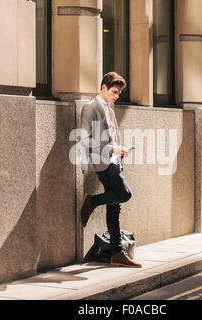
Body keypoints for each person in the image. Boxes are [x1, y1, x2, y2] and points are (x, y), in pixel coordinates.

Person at [79, 72, 142, 268]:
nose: (117, 96)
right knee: (124, 194)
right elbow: (84, 139)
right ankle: (91, 201)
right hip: (102, 162)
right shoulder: (90, 108)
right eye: (114, 92)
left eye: (119, 93)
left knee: (115, 205)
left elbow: (112, 136)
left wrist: (120, 152)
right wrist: (113, 149)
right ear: (103, 88)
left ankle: (116, 253)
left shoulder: (110, 109)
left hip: (115, 161)